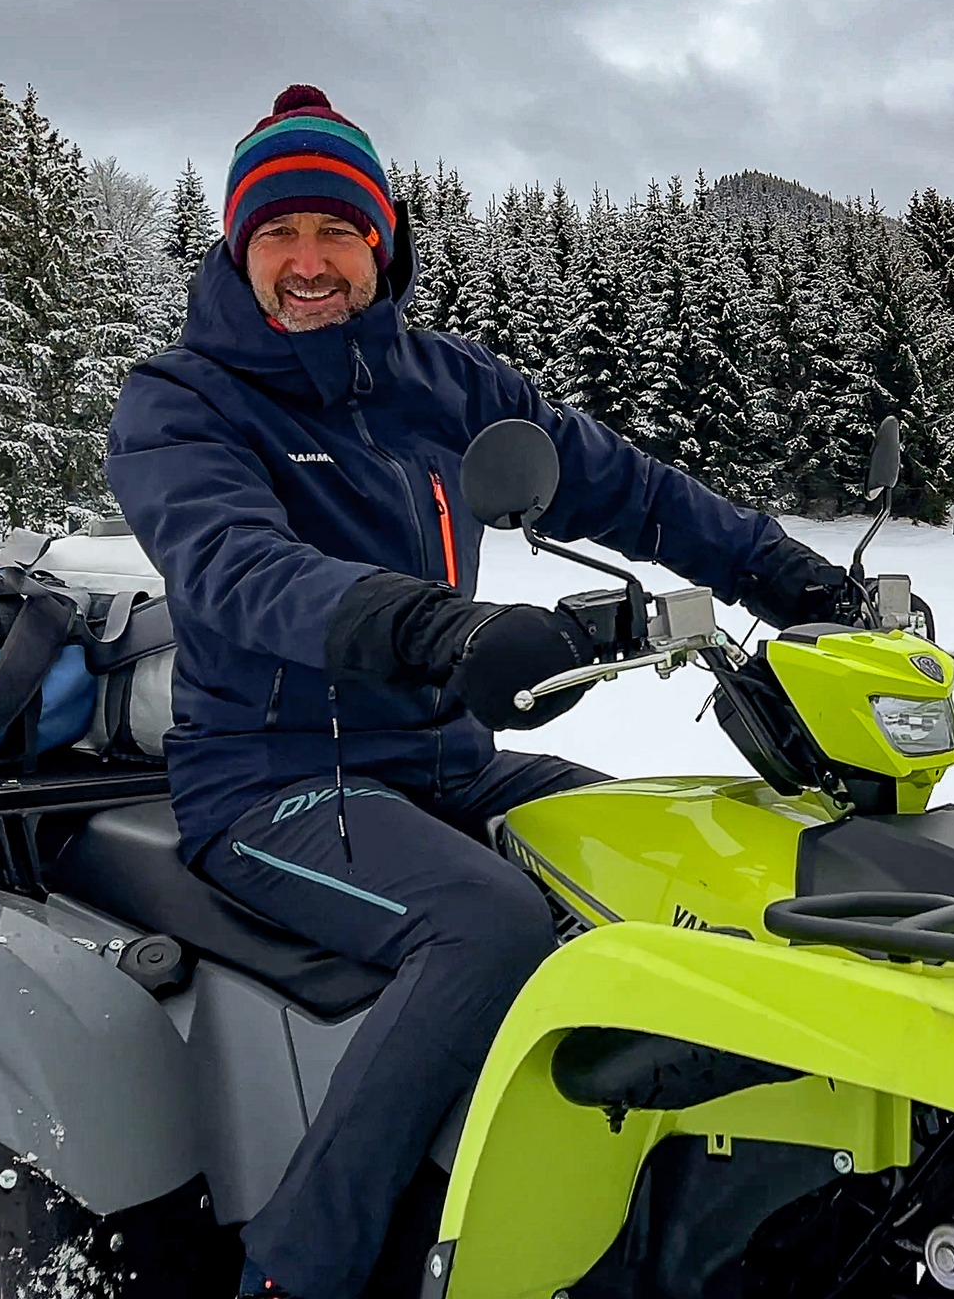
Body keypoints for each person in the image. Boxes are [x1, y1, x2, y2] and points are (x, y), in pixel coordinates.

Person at [105, 85, 851, 1299]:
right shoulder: (181, 400)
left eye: (336, 233)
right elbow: (233, 565)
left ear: (379, 243)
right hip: (272, 777)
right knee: (485, 922)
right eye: (277, 235)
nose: (308, 263)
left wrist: (791, 579)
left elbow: (629, 488)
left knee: (678, 868)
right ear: (238, 250)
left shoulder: (438, 382)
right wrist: (436, 626)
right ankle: (302, 1269)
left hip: (442, 759)